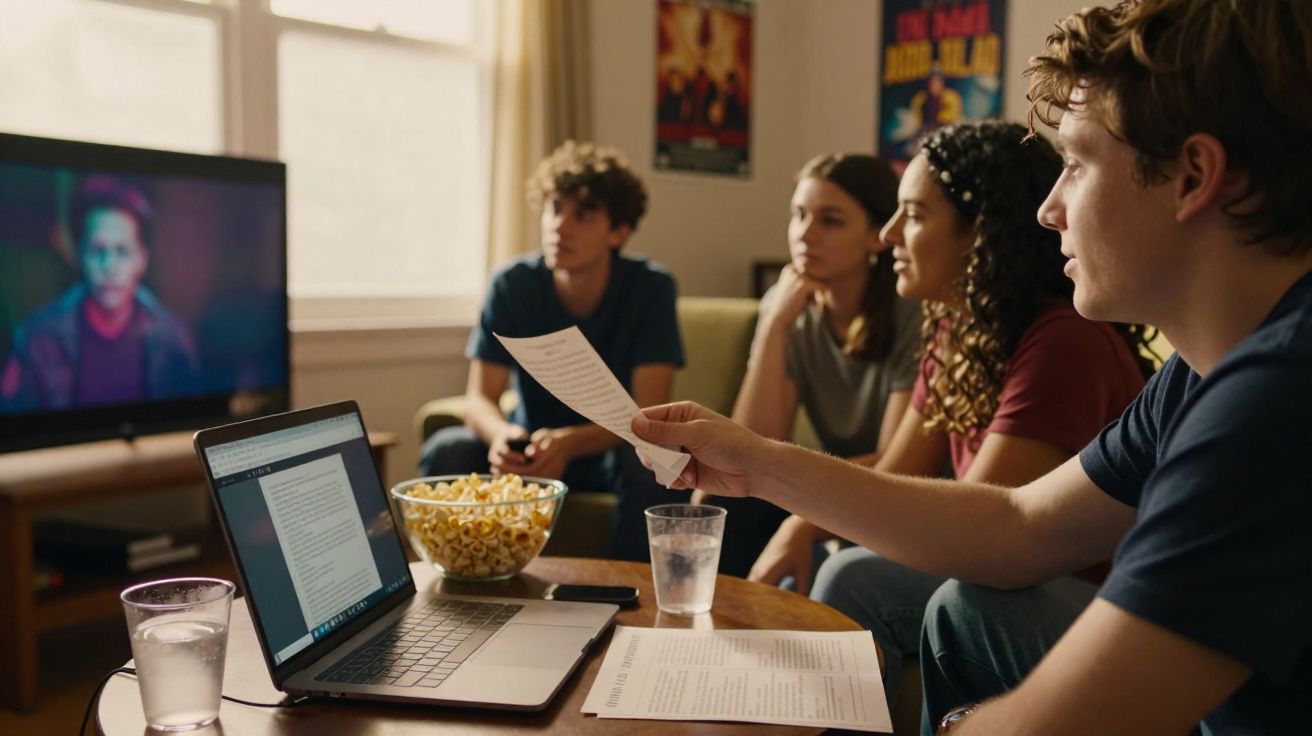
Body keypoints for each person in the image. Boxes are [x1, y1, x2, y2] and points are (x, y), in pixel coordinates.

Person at [630, 1, 1312, 732]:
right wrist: (757, 463)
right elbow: (1018, 524)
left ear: (1193, 176)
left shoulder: (1277, 398)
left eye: (1077, 163)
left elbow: (1072, 721)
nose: (1049, 208)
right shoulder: (1204, 373)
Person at [750, 122, 1151, 704]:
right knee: (823, 566)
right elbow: (893, 475)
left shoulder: (1062, 340)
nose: (887, 236)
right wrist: (803, 523)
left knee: (852, 577)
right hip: (1006, 568)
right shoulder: (955, 335)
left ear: (980, 234)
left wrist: (806, 517)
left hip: (1086, 601)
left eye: (912, 215)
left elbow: (990, 532)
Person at [419, 140, 687, 561]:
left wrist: (569, 443)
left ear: (618, 230)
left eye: (582, 215)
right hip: (530, 448)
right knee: (447, 449)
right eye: (554, 208)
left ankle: (629, 599)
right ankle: (462, 585)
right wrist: (501, 437)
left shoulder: (650, 289)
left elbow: (648, 415)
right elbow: (479, 399)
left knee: (649, 464)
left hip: (606, 451)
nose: (560, 226)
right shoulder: (512, 284)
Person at [704, 153, 923, 577]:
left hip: (898, 495)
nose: (805, 234)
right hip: (835, 487)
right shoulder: (787, 308)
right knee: (727, 501)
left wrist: (804, 514)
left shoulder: (911, 310)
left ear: (877, 237)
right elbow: (753, 442)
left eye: (830, 220)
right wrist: (774, 325)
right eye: (798, 215)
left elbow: (896, 463)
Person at [1, 176, 199, 411]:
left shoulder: (173, 336)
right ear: (80, 255)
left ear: (142, 259)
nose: (109, 267)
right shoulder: (37, 336)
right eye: (97, 250)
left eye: (122, 252)